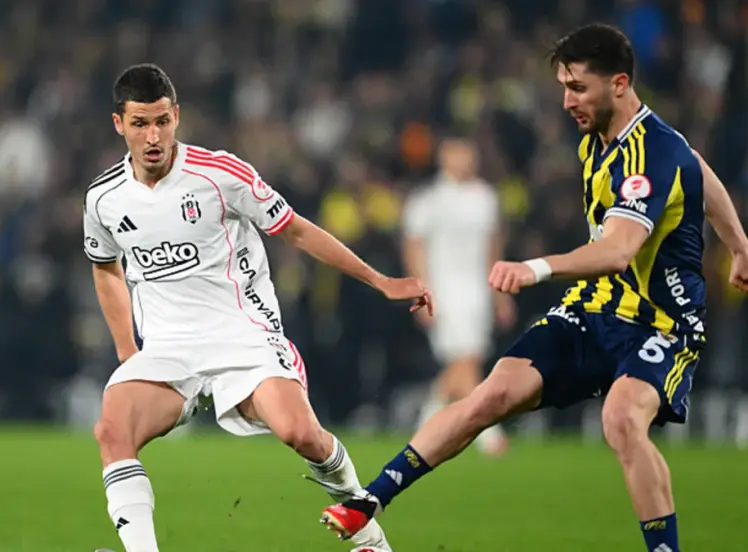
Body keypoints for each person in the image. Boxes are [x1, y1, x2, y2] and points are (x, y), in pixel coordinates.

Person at [318, 24, 748, 552]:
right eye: (564, 87)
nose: (567, 101)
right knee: (492, 393)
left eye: (579, 88)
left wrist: (535, 268)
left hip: (659, 322)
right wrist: (740, 243)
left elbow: (618, 250)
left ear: (619, 83)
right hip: (595, 308)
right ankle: (369, 501)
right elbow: (698, 168)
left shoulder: (651, 154)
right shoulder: (605, 138)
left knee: (620, 418)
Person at [84, 63, 432, 552]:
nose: (153, 136)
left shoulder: (220, 174)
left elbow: (296, 229)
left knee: (301, 433)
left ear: (176, 116)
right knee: (112, 430)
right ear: (119, 124)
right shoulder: (103, 198)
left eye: (162, 121)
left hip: (243, 336)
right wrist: (128, 351)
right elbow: (105, 267)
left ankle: (367, 532)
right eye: (140, 124)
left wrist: (380, 280)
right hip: (168, 348)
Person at [401, 137, 514, 454]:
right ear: (444, 158)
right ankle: (490, 434)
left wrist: (499, 295)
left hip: (477, 291)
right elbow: (413, 247)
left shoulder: (485, 198)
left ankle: (426, 423)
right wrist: (420, 291)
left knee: (464, 361)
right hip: (443, 290)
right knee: (467, 360)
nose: (464, 160)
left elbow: (493, 248)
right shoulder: (428, 200)